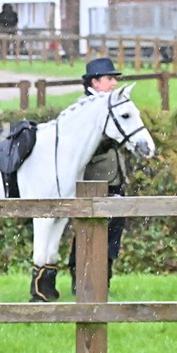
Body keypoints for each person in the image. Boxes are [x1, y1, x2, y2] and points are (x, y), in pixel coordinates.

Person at [67, 56, 129, 292]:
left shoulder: (109, 107)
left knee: (112, 233)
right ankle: (82, 280)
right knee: (88, 232)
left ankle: (103, 280)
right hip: (93, 181)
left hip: (114, 179)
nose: (114, 83)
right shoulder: (82, 108)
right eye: (109, 78)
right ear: (95, 82)